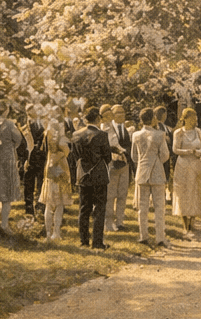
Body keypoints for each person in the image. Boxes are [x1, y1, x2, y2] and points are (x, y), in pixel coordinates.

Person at [72, 107, 111, 249]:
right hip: (99, 175)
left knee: (83, 208)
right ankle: (97, 242)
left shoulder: (76, 134)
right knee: (99, 209)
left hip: (83, 174)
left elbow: (75, 155)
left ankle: (83, 241)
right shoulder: (102, 135)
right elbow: (108, 157)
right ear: (98, 119)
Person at [132, 107, 172, 247]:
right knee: (159, 207)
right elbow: (165, 155)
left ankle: (143, 236)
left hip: (142, 172)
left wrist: (145, 162)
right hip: (156, 172)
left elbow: (134, 156)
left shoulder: (136, 135)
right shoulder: (160, 135)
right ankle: (160, 237)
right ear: (153, 118)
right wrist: (156, 161)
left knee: (142, 207)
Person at [171, 108, 201, 237]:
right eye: (191, 119)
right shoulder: (178, 133)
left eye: (195, 119)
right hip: (183, 165)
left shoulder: (198, 132)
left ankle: (192, 221)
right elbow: (175, 149)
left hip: (195, 164)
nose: (194, 121)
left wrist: (198, 153)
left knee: (194, 191)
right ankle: (184, 222)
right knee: (183, 192)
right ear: (185, 119)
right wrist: (189, 152)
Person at [0, 101, 21, 234]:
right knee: (6, 194)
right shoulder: (10, 124)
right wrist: (9, 148)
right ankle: (4, 224)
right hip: (7, 162)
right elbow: (18, 140)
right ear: (6, 110)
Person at [39, 121, 71, 241]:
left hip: (49, 166)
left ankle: (48, 233)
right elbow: (67, 151)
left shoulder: (47, 135)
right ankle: (56, 232)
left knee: (49, 203)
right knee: (59, 203)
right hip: (60, 167)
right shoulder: (60, 138)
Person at [104, 104, 133, 234]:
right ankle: (108, 222)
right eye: (118, 113)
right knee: (110, 195)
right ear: (113, 115)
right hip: (112, 165)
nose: (121, 115)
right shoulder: (109, 129)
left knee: (122, 194)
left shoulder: (128, 130)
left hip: (125, 165)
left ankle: (120, 222)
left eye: (123, 112)